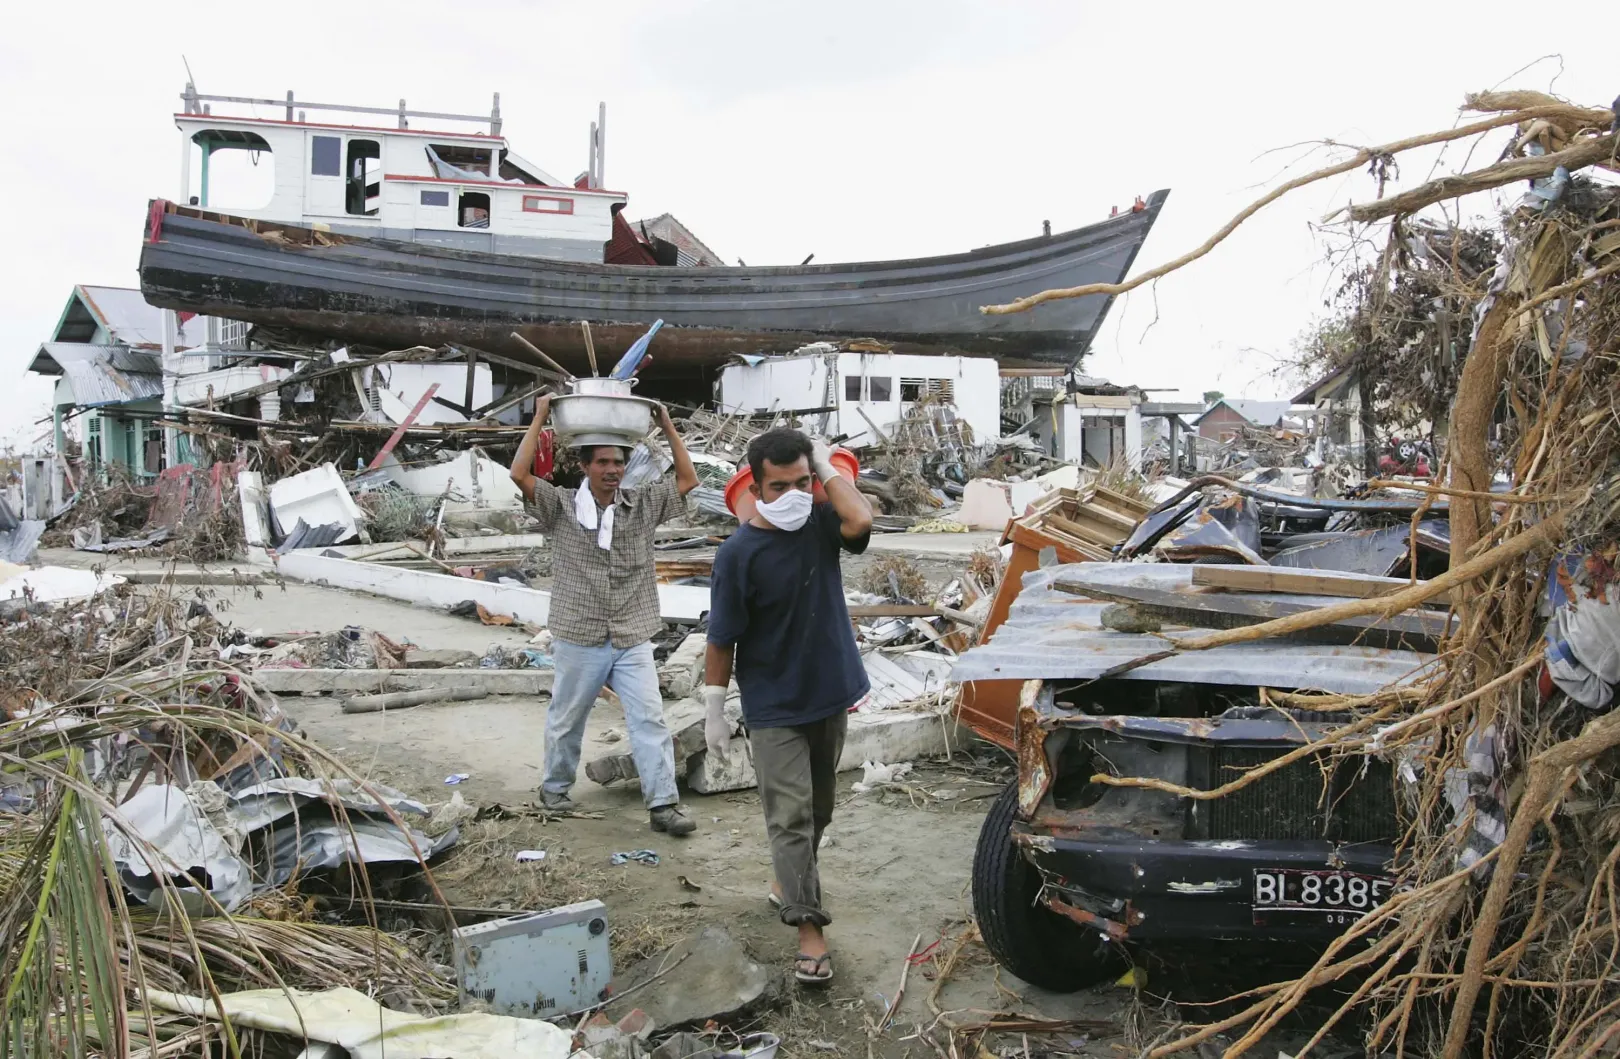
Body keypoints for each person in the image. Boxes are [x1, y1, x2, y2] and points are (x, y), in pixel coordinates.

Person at [701, 428, 873, 984]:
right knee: (791, 817)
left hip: (830, 692)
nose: (796, 494)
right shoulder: (737, 555)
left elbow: (861, 521)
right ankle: (809, 930)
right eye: (781, 486)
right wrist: (714, 708)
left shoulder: (822, 525)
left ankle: (787, 880)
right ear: (756, 486)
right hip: (773, 705)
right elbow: (722, 638)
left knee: (819, 811)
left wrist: (823, 463)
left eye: (803, 482)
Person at [509, 396, 701, 837]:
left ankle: (663, 806)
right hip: (580, 635)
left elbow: (687, 479)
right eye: (603, 463)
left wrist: (667, 422)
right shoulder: (559, 507)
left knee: (649, 718)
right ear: (585, 466)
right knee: (567, 718)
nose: (612, 470)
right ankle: (555, 790)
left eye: (618, 462)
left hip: (632, 633)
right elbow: (519, 474)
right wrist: (541, 416)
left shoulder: (643, 505)